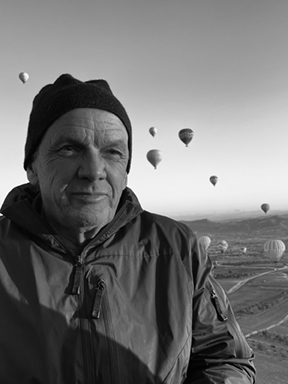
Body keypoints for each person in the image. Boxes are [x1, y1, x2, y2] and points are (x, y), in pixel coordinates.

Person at [0, 74, 256, 384]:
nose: (94, 171)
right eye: (69, 149)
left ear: (126, 171)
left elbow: (226, 358)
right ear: (32, 168)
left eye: (113, 152)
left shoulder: (176, 248)